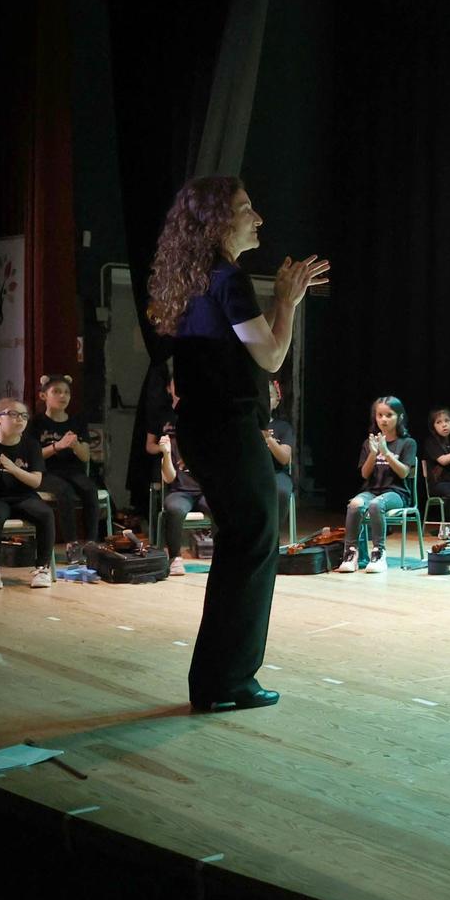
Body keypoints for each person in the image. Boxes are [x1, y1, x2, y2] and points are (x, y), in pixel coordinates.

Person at [148, 175, 328, 712]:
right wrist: (289, 301)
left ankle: (215, 682)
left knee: (240, 546)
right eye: (247, 208)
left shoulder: (197, 276)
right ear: (218, 220)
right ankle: (229, 680)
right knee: (252, 545)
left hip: (206, 429)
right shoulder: (228, 279)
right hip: (226, 429)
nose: (259, 218)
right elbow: (271, 357)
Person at [0, 396, 54, 589]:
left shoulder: (31, 445)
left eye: (24, 416)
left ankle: (42, 568)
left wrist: (13, 468)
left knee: (45, 513)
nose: (20, 419)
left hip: (23, 496)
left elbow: (35, 481)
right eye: (13, 414)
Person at [338, 397, 418, 574]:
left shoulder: (408, 443)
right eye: (380, 415)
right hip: (372, 490)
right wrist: (373, 454)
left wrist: (386, 452)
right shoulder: (369, 443)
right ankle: (351, 553)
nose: (384, 419)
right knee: (355, 504)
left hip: (397, 493)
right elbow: (365, 474)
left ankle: (378, 553)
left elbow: (404, 472)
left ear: (400, 417)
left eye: (389, 415)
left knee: (376, 505)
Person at [31, 373, 98, 546]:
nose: (63, 396)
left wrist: (75, 445)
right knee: (64, 491)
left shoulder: (77, 422)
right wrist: (57, 446)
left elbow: (85, 457)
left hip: (73, 471)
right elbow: (31, 457)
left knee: (90, 489)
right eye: (57, 392)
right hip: (46, 473)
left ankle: (91, 542)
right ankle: (72, 543)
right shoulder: (35, 423)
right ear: (44, 395)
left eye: (67, 392)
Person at [156, 379, 208, 578]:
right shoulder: (173, 440)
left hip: (204, 489)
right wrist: (167, 453)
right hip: (180, 491)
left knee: (219, 506)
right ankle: (175, 558)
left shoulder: (205, 441)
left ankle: (222, 554)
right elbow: (169, 478)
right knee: (174, 508)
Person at [265, 377, 297, 512]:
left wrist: (268, 439)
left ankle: (273, 531)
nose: (265, 400)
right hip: (252, 472)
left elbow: (284, 458)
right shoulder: (247, 426)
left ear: (276, 402)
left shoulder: (283, 427)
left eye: (270, 396)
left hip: (277, 473)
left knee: (282, 492)